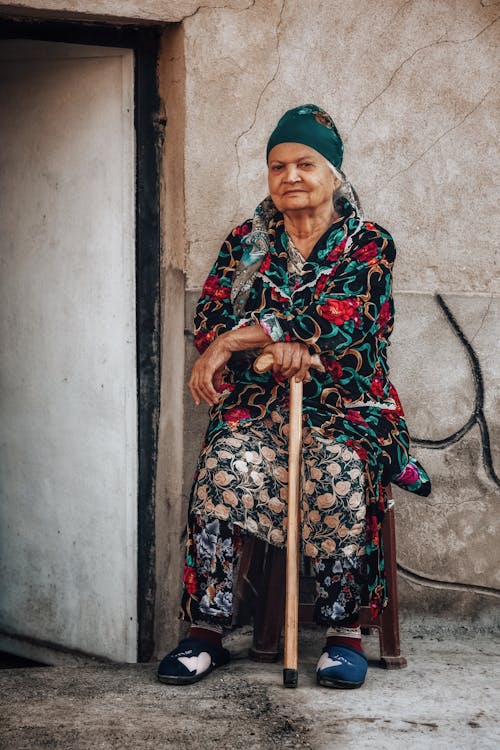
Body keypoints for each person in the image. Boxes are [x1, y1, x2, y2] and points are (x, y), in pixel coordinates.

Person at [157, 104, 430, 689]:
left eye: (305, 163)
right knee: (222, 469)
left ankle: (343, 633)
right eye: (278, 166)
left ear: (334, 173)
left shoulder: (369, 243)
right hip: (260, 406)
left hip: (346, 406)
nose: (291, 177)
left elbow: (342, 322)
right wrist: (267, 340)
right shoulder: (245, 243)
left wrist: (250, 335)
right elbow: (209, 319)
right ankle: (205, 631)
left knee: (336, 471)